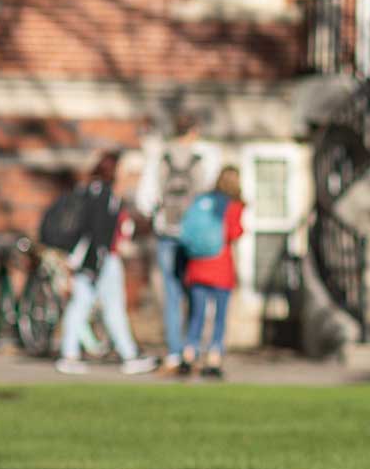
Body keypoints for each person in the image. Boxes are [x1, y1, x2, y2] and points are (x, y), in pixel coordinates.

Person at [56, 151, 158, 376]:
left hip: (94, 259)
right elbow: (97, 231)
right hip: (100, 260)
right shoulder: (102, 195)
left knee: (84, 305)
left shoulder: (96, 192)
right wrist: (97, 261)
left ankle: (72, 353)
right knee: (107, 307)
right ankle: (127, 355)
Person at [136, 114, 216, 375]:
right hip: (195, 234)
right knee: (197, 291)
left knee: (171, 293)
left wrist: (158, 215)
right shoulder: (204, 156)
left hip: (167, 232)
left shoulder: (160, 156)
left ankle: (174, 352)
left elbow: (144, 200)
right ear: (193, 131)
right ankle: (193, 348)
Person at [181, 166, 246, 380]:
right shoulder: (232, 205)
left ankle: (189, 354)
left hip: (197, 265)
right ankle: (214, 358)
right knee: (219, 317)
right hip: (221, 266)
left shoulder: (202, 201)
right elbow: (234, 233)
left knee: (197, 314)